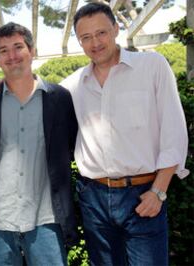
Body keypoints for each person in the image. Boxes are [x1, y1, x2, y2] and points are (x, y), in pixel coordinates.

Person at [59, 3, 189, 265]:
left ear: (116, 29)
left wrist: (159, 192)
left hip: (144, 194)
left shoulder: (152, 66)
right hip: (93, 198)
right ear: (79, 42)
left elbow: (173, 131)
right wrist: (3, 83)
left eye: (101, 33)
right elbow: (36, 94)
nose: (95, 42)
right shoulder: (72, 85)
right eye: (86, 37)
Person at [0, 22, 78, 265]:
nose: (12, 56)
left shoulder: (59, 99)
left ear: (32, 50)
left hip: (46, 218)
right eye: (3, 50)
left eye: (18, 47)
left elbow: (69, 145)